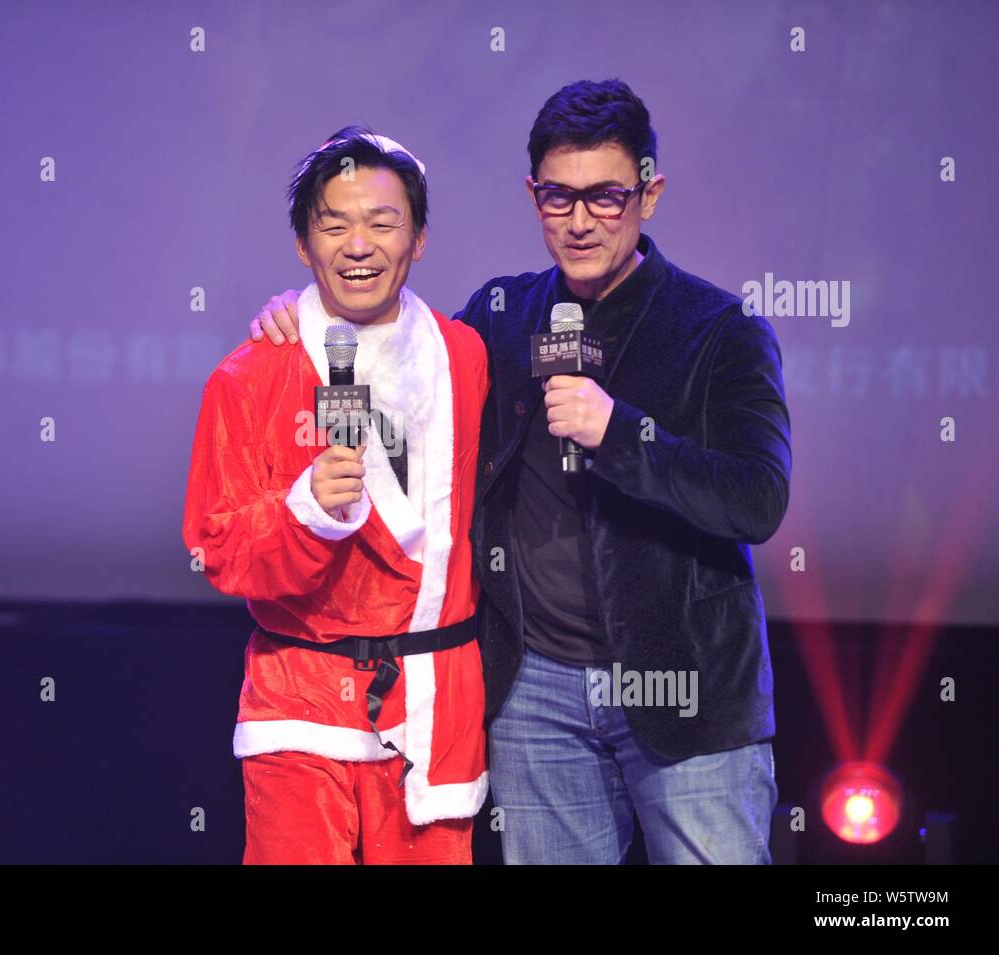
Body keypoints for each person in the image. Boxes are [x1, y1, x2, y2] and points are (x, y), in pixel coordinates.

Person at [248, 81, 791, 864]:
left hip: (688, 688)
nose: (578, 221)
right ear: (532, 194)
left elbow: (757, 497)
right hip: (535, 691)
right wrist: (306, 313)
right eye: (556, 196)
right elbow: (398, 370)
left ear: (650, 192)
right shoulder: (500, 314)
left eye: (604, 196)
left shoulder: (719, 330)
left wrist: (619, 431)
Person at [183, 127, 489, 864]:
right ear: (301, 245)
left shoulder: (468, 356)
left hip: (433, 704)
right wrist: (304, 511)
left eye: (383, 222)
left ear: (419, 239)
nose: (359, 244)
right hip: (300, 704)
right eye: (334, 223)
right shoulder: (252, 375)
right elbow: (217, 548)